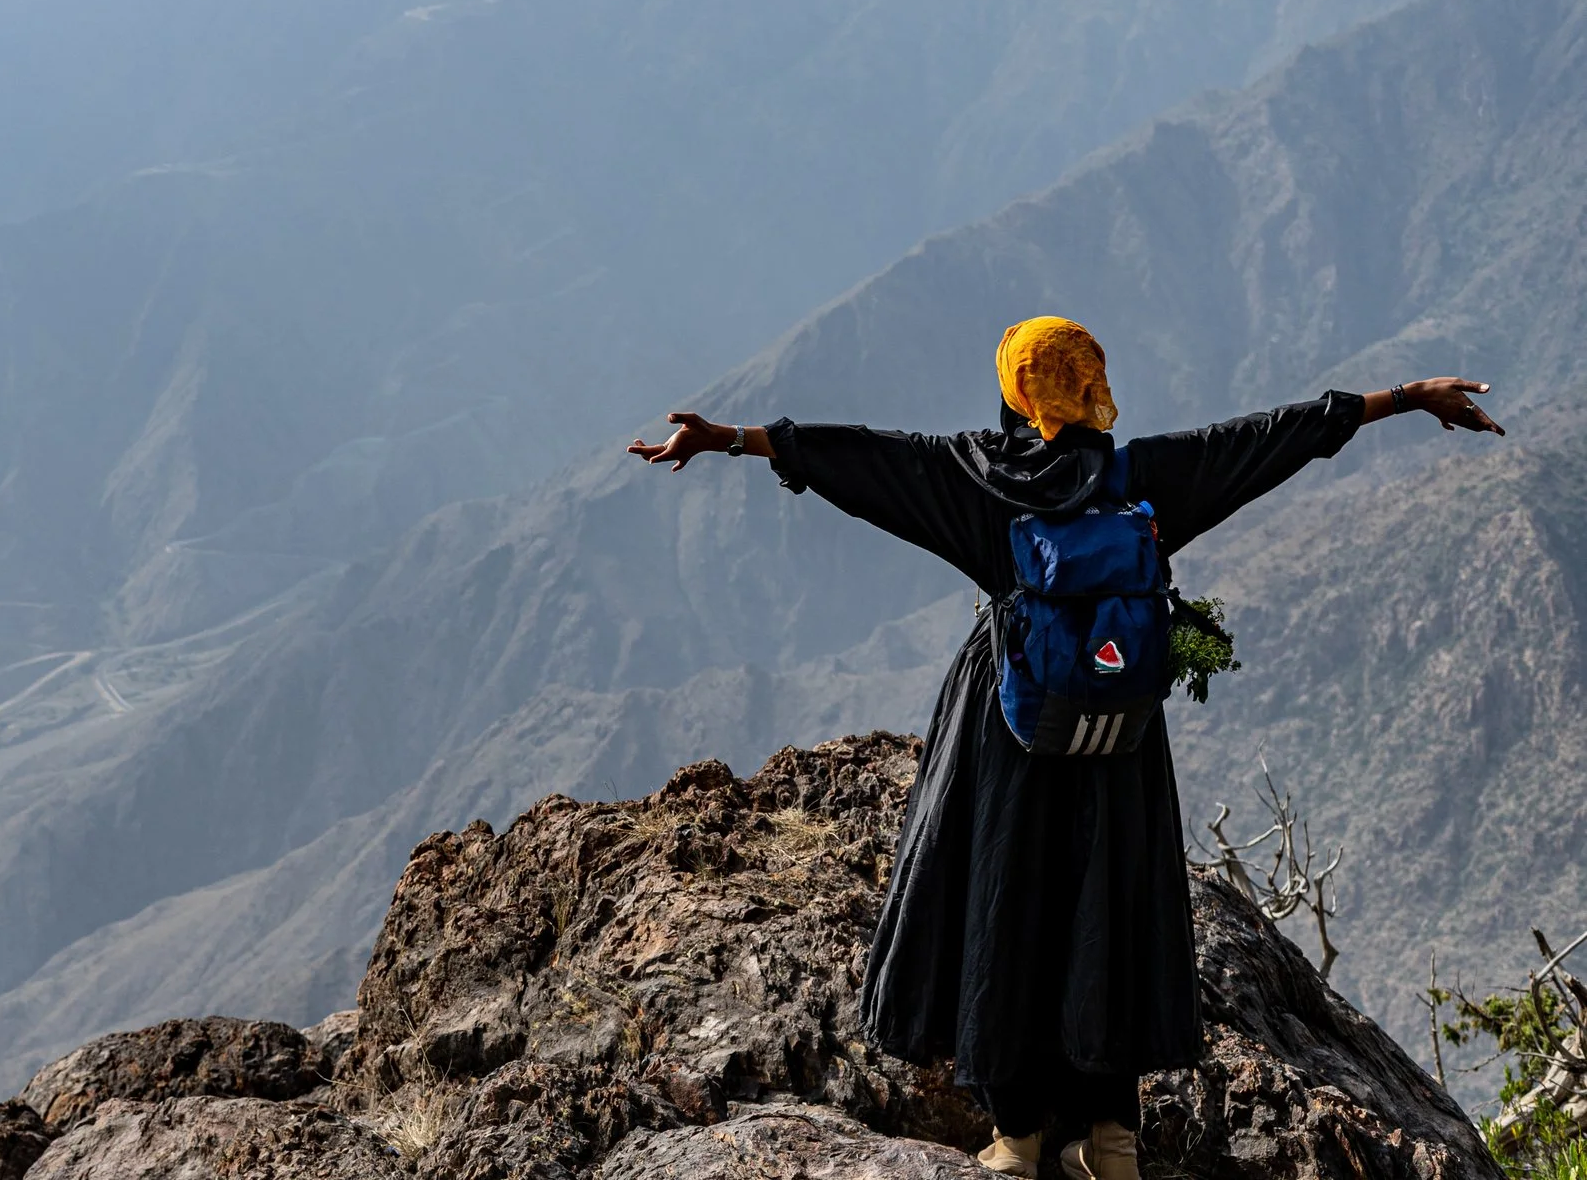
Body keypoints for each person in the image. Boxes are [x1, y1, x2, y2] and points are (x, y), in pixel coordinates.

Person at [625, 317, 1503, 1180]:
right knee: (1108, 911)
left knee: (1004, 909)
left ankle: (1016, 1140)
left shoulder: (975, 479)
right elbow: (1268, 438)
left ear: (1016, 391)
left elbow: (860, 457)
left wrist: (731, 439)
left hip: (1010, 730)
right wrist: (1405, 397)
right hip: (1119, 736)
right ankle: (1112, 1139)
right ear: (1092, 387)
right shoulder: (1141, 480)